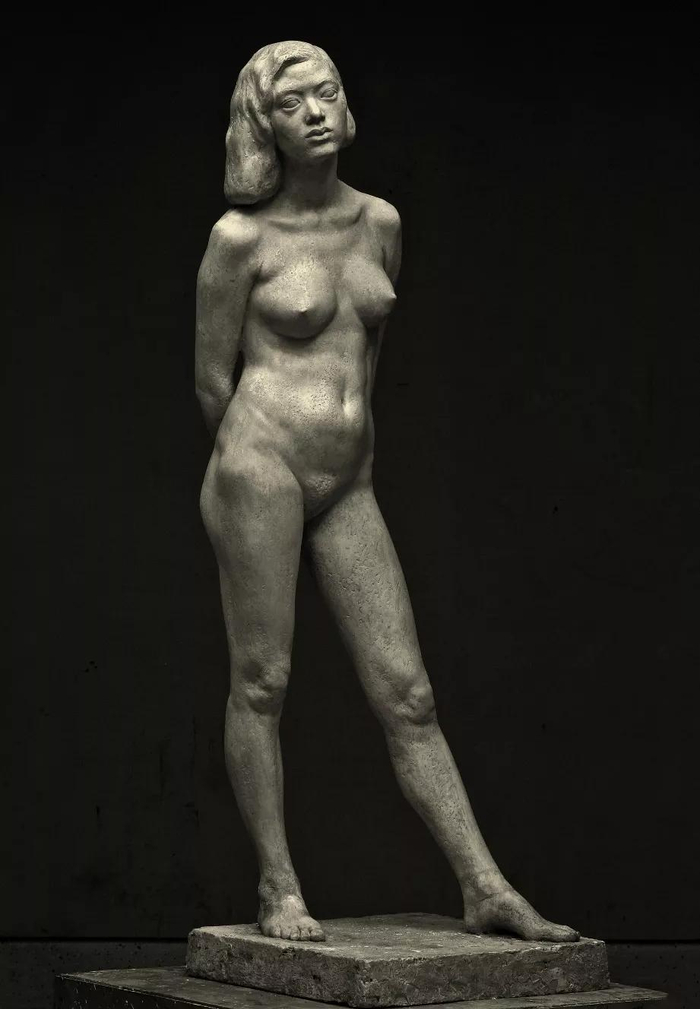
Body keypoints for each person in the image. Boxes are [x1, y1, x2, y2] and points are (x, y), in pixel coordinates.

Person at [196, 40, 579, 945]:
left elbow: (364, 361)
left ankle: (484, 885)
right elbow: (212, 381)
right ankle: (278, 887)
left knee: (408, 693)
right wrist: (258, 462)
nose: (315, 112)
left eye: (326, 92)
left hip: (349, 480)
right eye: (292, 104)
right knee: (263, 678)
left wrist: (344, 453)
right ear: (264, 126)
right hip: (260, 467)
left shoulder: (381, 223)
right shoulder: (239, 240)